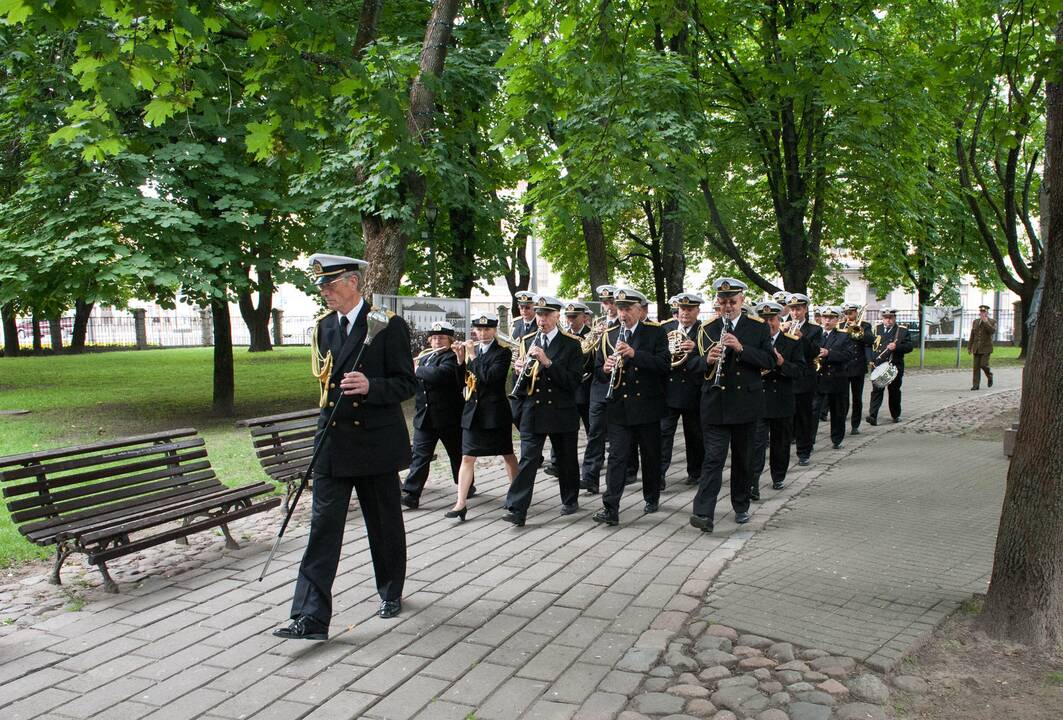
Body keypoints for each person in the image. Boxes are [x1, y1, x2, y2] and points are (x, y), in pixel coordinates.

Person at [273, 254, 416, 641]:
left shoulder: (388, 325)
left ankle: (391, 590)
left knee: (383, 524)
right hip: (334, 444)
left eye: (330, 285)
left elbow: (407, 382)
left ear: (353, 282)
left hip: (373, 442)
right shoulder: (324, 328)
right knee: (323, 529)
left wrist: (373, 387)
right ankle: (310, 617)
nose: (324, 293)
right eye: (320, 286)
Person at [687, 278, 774, 533]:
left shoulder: (757, 328)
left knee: (742, 458)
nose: (727, 307)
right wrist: (707, 360)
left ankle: (741, 505)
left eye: (732, 302)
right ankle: (703, 513)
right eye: (723, 302)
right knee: (713, 459)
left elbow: (769, 361)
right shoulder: (706, 329)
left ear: (742, 301)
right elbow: (691, 366)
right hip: (715, 405)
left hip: (746, 404)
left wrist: (741, 348)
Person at [503, 296, 585, 526]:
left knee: (566, 459)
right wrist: (518, 370)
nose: (542, 320)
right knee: (528, 460)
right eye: (539, 315)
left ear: (557, 316)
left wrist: (548, 362)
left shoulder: (571, 343)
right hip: (534, 410)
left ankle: (570, 498)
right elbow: (522, 381)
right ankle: (516, 508)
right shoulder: (527, 340)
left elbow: (573, 381)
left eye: (547, 315)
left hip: (561, 410)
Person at [591, 287, 669, 526]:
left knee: (650, 455)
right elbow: (597, 372)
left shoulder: (655, 333)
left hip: (647, 406)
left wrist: (635, 354)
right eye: (620, 309)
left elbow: (664, 365)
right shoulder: (609, 335)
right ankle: (610, 507)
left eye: (627, 309)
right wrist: (605, 370)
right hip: (619, 407)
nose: (623, 314)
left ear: (640, 310)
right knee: (616, 458)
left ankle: (651, 496)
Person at [449, 314, 519, 520]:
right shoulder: (474, 351)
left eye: (487, 330)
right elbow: (461, 381)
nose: (482, 333)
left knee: (507, 454)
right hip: (473, 413)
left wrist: (472, 356)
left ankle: (515, 496)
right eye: (479, 330)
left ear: (494, 331)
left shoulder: (503, 353)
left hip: (495, 413)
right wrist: (461, 360)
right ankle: (460, 503)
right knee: (467, 456)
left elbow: (489, 378)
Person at [401, 321, 465, 509]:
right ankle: (411, 494)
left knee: (457, 454)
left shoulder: (452, 357)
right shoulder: (425, 358)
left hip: (448, 417)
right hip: (425, 417)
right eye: (434, 338)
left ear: (449, 339)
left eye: (442, 338)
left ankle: (465, 485)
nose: (437, 341)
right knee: (420, 456)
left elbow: (438, 375)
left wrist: (415, 370)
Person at [750, 301, 803, 497]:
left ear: (779, 319)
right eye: (763, 320)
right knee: (756, 444)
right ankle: (752, 483)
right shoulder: (753, 341)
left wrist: (781, 363)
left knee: (780, 443)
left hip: (781, 400)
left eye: (771, 319)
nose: (768, 324)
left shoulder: (792, 342)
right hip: (759, 400)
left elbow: (799, 371)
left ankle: (778, 476)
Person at [659, 292, 705, 487]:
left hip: (694, 391)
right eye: (682, 309)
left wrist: (695, 348)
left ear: (697, 311)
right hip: (669, 389)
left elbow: (712, 356)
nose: (685, 313)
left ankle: (696, 473)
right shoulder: (665, 328)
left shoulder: (704, 330)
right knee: (663, 434)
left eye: (690, 309)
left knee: (695, 435)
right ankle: (658, 475)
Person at [544, 301, 593, 477]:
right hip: (564, 391)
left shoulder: (591, 334)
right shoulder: (563, 337)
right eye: (568, 317)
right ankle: (556, 463)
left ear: (584, 317)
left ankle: (592, 465)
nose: (570, 320)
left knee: (590, 430)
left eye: (574, 317)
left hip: (586, 388)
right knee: (558, 429)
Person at [580, 285, 621, 494]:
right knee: (595, 431)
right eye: (605, 303)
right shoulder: (598, 324)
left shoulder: (625, 323)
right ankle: (590, 477)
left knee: (619, 434)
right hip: (598, 384)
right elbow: (586, 358)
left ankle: (625, 471)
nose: (608, 307)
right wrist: (594, 338)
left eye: (611, 302)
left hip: (618, 383)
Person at [785, 293, 822, 466]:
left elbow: (815, 352)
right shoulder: (782, 326)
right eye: (792, 309)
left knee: (804, 418)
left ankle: (804, 451)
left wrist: (802, 337)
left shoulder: (814, 329)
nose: (795, 313)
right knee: (785, 418)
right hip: (786, 378)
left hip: (804, 379)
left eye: (798, 309)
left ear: (805, 309)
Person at [815, 306, 856, 450]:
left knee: (838, 411)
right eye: (825, 317)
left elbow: (848, 355)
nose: (827, 320)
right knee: (814, 411)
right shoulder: (816, 334)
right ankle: (810, 440)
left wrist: (829, 353)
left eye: (831, 318)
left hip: (837, 378)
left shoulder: (844, 336)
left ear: (837, 319)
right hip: (818, 378)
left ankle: (837, 439)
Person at [867, 308, 914, 425]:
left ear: (894, 318)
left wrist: (897, 346)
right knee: (877, 390)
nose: (888, 320)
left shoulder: (902, 331)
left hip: (894, 366)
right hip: (879, 365)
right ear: (882, 318)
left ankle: (895, 414)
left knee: (894, 391)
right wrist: (870, 359)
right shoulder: (876, 329)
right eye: (885, 318)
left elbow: (909, 346)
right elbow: (869, 345)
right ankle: (873, 416)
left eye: (890, 317)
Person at [840, 303, 874, 435]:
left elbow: (871, 340)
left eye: (851, 313)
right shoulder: (841, 325)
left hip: (858, 366)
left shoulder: (865, 325)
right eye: (846, 313)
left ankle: (855, 425)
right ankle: (841, 421)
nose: (848, 316)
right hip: (844, 366)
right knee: (843, 397)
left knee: (857, 398)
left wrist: (859, 330)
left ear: (856, 313)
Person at [968, 304, 997, 390]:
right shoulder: (975, 321)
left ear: (987, 312)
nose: (982, 313)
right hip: (976, 347)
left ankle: (989, 375)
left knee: (983, 365)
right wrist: (969, 346)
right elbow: (972, 335)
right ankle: (976, 385)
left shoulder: (992, 321)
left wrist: (985, 322)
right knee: (976, 367)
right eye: (981, 311)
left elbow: (992, 331)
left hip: (986, 348)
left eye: (984, 311)